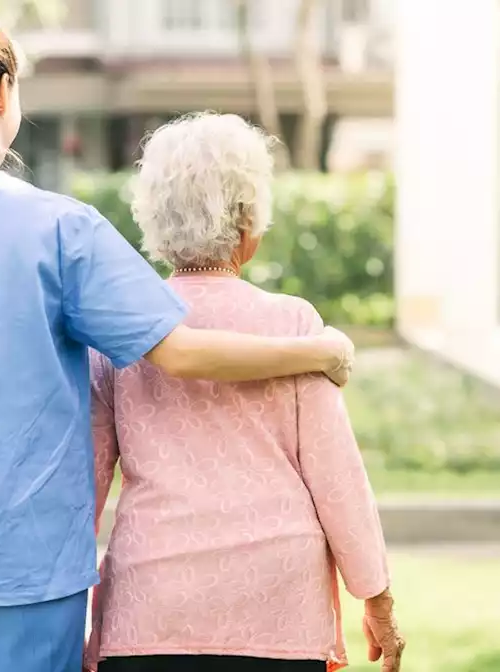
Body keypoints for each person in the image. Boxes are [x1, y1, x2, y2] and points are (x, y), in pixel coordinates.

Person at [0, 3, 356, 671]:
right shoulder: (60, 230)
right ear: (3, 92)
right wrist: (315, 350)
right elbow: (179, 351)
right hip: (25, 570)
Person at [84, 113, 405, 672]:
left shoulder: (121, 334)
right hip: (278, 611)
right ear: (248, 218)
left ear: (153, 216)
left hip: (151, 609)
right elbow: (338, 478)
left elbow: (81, 486)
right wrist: (376, 599)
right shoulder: (295, 325)